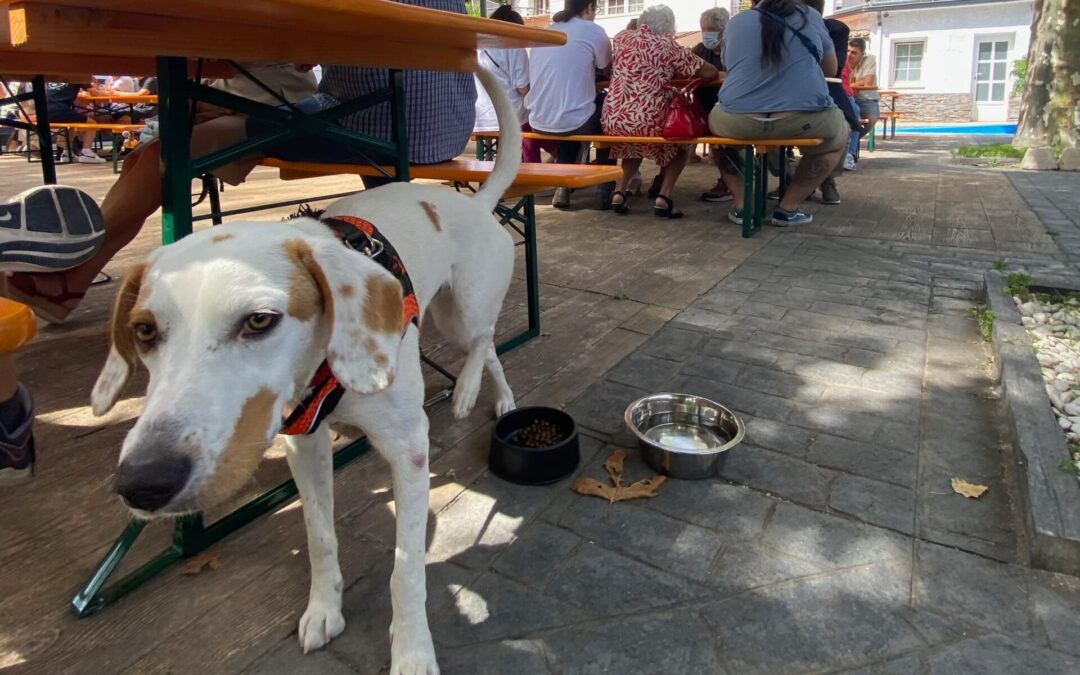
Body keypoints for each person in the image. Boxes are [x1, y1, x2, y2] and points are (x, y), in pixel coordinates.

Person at [4, 0, 475, 324]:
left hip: (376, 125)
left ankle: (70, 278)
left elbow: (295, 55)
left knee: (164, 152)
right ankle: (69, 279)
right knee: (170, 145)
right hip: (444, 125)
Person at [708, 0, 847, 227]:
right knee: (838, 136)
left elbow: (728, 64)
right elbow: (830, 69)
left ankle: (742, 206)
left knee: (717, 137)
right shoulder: (810, 16)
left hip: (737, 119)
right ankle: (788, 208)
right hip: (803, 117)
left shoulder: (736, 22)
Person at [601, 5, 718, 218]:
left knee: (632, 143)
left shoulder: (621, 38)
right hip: (650, 118)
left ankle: (620, 192)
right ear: (669, 27)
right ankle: (664, 196)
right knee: (682, 143)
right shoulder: (668, 46)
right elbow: (709, 72)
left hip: (614, 117)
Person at [526, 0, 615, 209]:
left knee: (573, 109)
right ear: (589, 7)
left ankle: (563, 186)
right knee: (609, 109)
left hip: (538, 118)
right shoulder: (593, 31)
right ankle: (604, 184)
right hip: (573, 119)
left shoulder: (548, 30)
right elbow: (609, 70)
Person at [473, 5, 549, 163]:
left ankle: (557, 159)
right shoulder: (513, 45)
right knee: (537, 121)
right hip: (509, 116)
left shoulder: (478, 45)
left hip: (482, 119)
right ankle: (536, 169)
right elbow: (523, 89)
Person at [805, 0, 860, 204]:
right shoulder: (777, 27)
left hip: (826, 90)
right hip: (790, 93)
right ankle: (791, 179)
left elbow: (833, 69)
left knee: (844, 126)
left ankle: (827, 179)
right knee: (764, 124)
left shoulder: (836, 30)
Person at [692, 7, 731, 203]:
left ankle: (729, 181)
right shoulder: (699, 50)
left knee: (722, 144)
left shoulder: (734, 48)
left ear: (724, 30)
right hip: (704, 107)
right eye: (703, 28)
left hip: (729, 108)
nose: (706, 33)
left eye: (712, 28)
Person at [45, 81, 111, 163]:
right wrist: (109, 92)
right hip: (60, 110)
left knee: (72, 125)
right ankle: (87, 153)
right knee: (92, 123)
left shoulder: (57, 76)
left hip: (45, 112)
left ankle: (67, 154)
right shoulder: (77, 77)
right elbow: (97, 95)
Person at [847, 37, 879, 169]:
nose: (849, 54)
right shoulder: (842, 59)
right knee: (855, 119)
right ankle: (849, 153)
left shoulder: (870, 60)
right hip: (849, 97)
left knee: (871, 120)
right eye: (848, 51)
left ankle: (846, 145)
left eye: (854, 52)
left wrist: (849, 84)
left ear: (862, 54)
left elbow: (868, 81)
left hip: (866, 98)